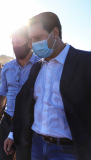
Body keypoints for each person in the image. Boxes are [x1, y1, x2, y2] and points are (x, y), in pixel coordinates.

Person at [12, 12, 91, 160]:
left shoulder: (85, 63)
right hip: (36, 145)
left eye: (37, 38)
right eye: (30, 40)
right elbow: (25, 104)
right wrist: (12, 133)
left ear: (55, 33)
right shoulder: (37, 68)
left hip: (68, 150)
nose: (31, 45)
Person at [0, 26, 40, 160]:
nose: (15, 46)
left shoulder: (41, 66)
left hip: (29, 125)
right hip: (7, 121)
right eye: (13, 44)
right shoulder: (8, 68)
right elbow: (1, 95)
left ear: (30, 43)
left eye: (19, 43)